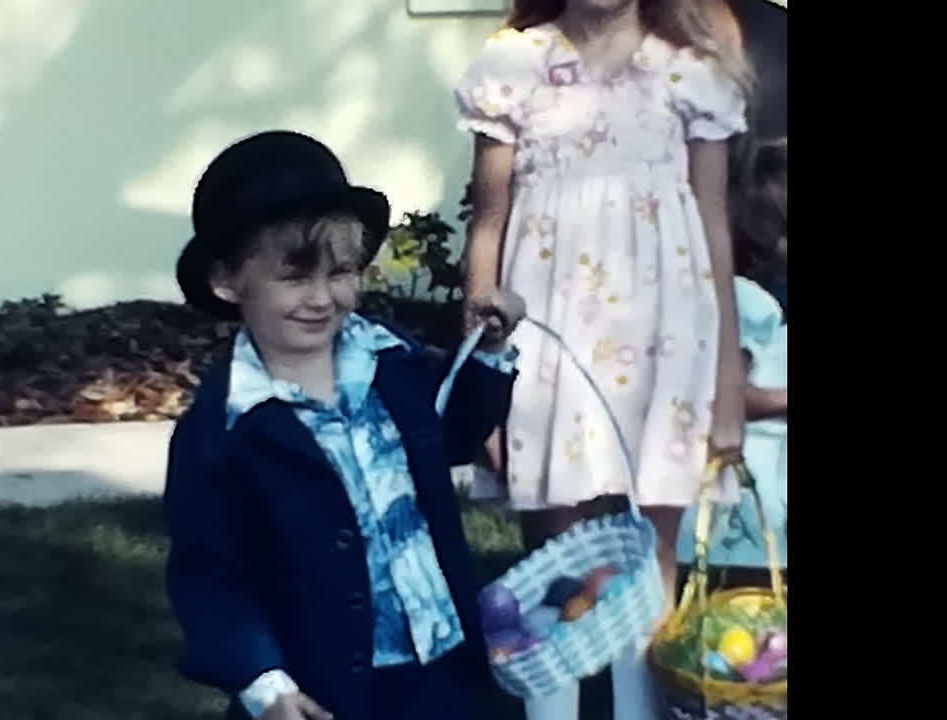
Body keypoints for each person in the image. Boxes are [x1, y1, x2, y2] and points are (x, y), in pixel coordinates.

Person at [452, 1, 752, 718]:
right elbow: (488, 226)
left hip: (665, 338)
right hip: (547, 332)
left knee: (650, 562)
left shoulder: (691, 72)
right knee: (554, 564)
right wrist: (483, 374)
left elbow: (714, 230)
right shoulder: (514, 65)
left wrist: (728, 387)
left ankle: (640, 707)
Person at [163, 130, 526, 720]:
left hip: (442, 666)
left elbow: (454, 435)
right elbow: (211, 578)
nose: (322, 297)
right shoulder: (223, 433)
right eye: (294, 277)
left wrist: (487, 354)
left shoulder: (391, 361)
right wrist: (264, 684)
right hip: (325, 689)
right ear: (228, 281)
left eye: (341, 272)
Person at [676, 136, 787, 592]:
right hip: (741, 495)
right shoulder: (749, 304)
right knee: (743, 604)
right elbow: (726, 393)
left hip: (754, 493)